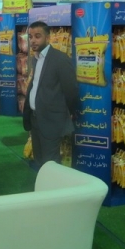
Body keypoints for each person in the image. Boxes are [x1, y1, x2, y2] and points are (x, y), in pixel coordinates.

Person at [22, 21, 79, 168]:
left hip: (51, 121)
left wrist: (70, 113)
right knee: (39, 159)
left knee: (50, 163)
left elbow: (71, 90)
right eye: (30, 37)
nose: (33, 40)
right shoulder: (36, 59)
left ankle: (53, 183)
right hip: (35, 119)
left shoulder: (60, 59)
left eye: (37, 36)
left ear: (48, 37)